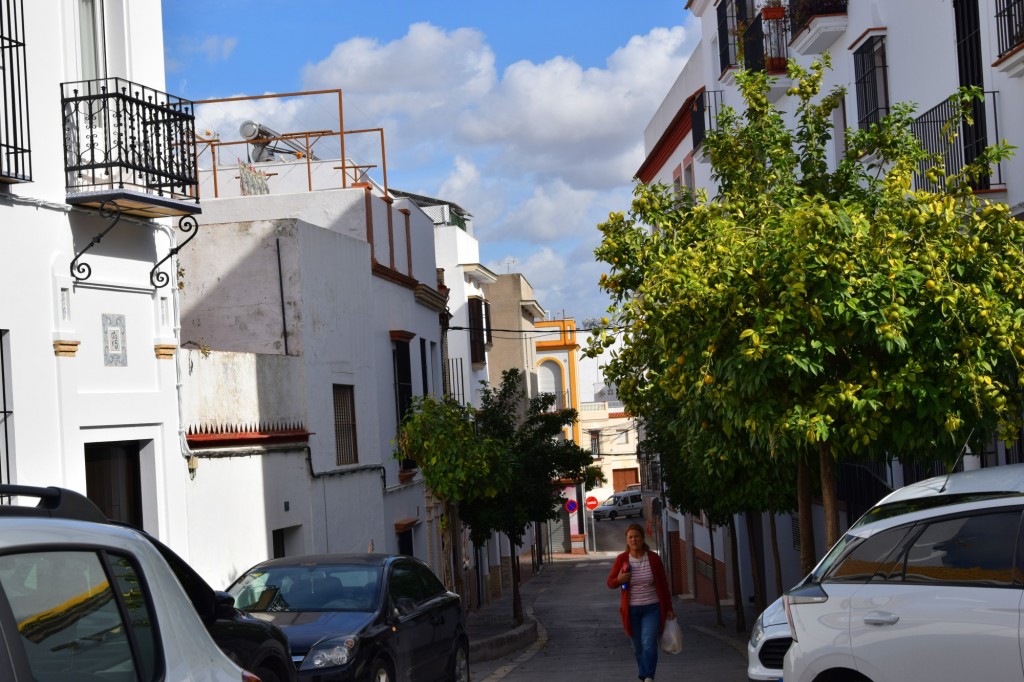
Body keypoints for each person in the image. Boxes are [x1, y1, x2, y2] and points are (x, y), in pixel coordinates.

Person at [606, 523, 675, 682]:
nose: (633, 540)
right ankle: (644, 675)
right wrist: (620, 579)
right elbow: (610, 583)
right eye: (630, 537)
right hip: (631, 610)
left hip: (653, 607)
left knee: (648, 642)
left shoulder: (653, 558)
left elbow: (663, 586)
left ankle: (648, 677)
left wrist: (669, 608)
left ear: (643, 538)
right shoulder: (622, 559)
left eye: (636, 536)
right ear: (627, 540)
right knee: (638, 648)